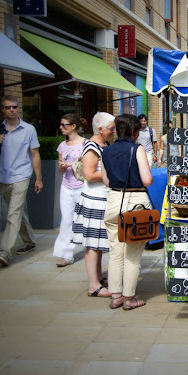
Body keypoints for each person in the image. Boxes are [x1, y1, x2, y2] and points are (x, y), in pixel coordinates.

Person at [102, 114, 153, 311]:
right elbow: (147, 180)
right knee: (132, 254)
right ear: (134, 132)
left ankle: (116, 296)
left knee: (115, 251)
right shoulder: (137, 149)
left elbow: (106, 181)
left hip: (114, 200)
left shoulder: (106, 151)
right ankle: (129, 297)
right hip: (135, 202)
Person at [0, 96, 42, 267]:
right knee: (17, 212)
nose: (11, 110)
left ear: (18, 108)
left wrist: (38, 178)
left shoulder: (28, 129)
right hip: (3, 175)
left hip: (22, 175)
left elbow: (34, 154)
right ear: (2, 110)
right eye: (7, 107)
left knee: (13, 213)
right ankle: (30, 241)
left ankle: (5, 252)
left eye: (14, 107)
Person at [71, 112, 115, 297]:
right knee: (92, 244)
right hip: (93, 200)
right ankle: (93, 285)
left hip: (100, 199)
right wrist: (112, 174)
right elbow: (89, 174)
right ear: (100, 129)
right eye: (111, 129)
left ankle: (98, 278)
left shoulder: (102, 145)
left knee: (97, 242)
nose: (114, 132)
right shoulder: (92, 147)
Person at [52, 114, 86, 267]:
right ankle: (66, 254)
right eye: (60, 124)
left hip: (82, 185)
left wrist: (71, 165)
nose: (61, 128)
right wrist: (62, 166)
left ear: (73, 126)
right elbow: (60, 169)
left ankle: (92, 245)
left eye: (64, 125)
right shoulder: (62, 145)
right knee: (66, 220)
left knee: (84, 219)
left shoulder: (85, 144)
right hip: (66, 186)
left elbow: (88, 166)